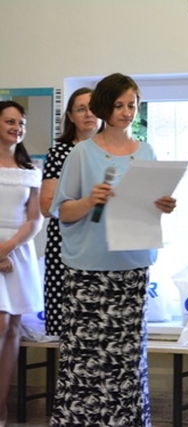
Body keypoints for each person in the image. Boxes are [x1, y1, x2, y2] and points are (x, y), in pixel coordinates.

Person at [48, 73, 176, 427]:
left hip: (132, 269)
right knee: (84, 363)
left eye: (132, 105)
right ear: (105, 107)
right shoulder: (81, 153)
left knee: (126, 363)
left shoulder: (146, 152)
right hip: (88, 273)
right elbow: (62, 211)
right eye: (119, 105)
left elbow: (146, 206)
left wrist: (163, 205)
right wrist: (90, 200)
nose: (126, 112)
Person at [40, 87, 100, 336]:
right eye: (81, 109)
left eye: (93, 108)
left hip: (103, 245)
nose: (88, 114)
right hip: (65, 245)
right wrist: (83, 204)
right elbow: (47, 206)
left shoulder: (113, 153)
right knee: (70, 329)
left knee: (101, 326)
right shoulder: (59, 153)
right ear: (70, 116)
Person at [0, 100, 43, 427]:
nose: (17, 128)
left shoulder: (31, 169)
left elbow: (35, 219)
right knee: (0, 323)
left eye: (21, 123)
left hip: (18, 250)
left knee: (14, 327)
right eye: (10, 122)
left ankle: (1, 407)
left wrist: (8, 247)